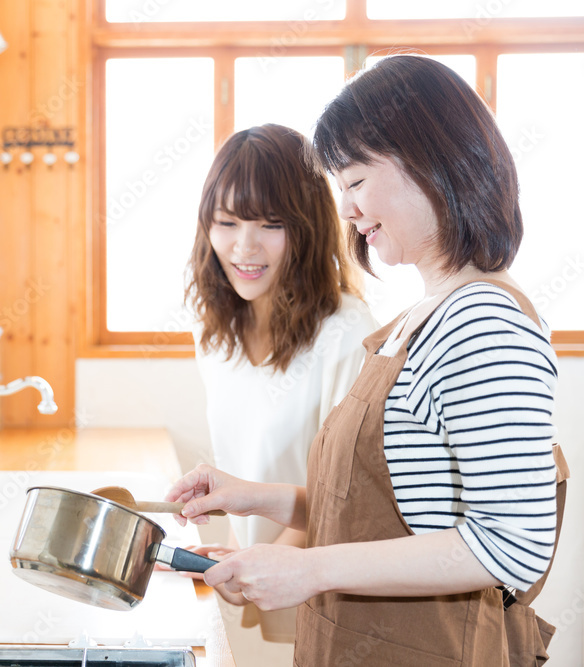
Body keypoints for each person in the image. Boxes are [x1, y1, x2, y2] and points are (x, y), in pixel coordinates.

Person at [168, 55, 568, 666]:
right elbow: (388, 512)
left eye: (355, 182)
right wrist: (251, 496)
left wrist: (308, 567)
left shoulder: (483, 321)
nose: (348, 212)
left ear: (430, 165)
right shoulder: (424, 315)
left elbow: (513, 544)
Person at [184, 124, 378, 640]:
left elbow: (349, 498)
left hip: (320, 598)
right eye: (226, 222)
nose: (244, 247)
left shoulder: (345, 333)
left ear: (308, 227)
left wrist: (260, 566)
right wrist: (232, 556)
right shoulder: (215, 334)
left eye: (270, 224)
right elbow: (240, 467)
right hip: (253, 593)